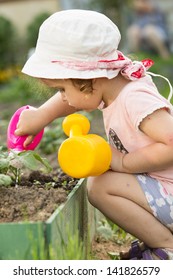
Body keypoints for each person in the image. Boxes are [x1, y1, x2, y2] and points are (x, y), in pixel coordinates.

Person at [15, 9, 173, 260]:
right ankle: (158, 241)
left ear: (90, 79)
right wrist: (41, 116)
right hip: (164, 189)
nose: (63, 98)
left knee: (100, 186)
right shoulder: (110, 86)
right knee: (103, 179)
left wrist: (123, 162)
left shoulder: (134, 99)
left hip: (169, 192)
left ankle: (167, 248)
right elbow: (77, 96)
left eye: (62, 89)